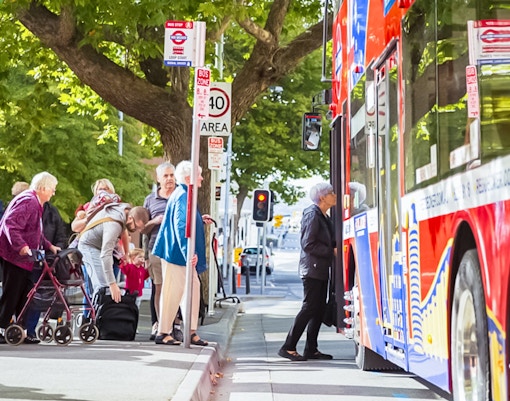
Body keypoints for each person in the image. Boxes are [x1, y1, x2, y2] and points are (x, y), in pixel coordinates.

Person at [152, 160, 212, 346]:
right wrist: (188, 252)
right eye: (199, 174)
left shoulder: (184, 194)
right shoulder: (184, 196)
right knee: (174, 291)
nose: (202, 177)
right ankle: (163, 332)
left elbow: (183, 223)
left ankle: (190, 330)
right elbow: (181, 226)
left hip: (179, 253)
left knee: (192, 291)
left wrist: (199, 221)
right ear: (189, 178)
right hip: (176, 254)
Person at [278, 182, 337, 361]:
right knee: (309, 307)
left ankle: (311, 348)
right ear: (322, 197)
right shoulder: (313, 215)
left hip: (320, 269)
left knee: (318, 309)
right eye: (331, 193)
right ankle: (288, 346)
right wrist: (331, 252)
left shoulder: (324, 216)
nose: (335, 195)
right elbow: (307, 244)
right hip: (312, 270)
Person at [0, 172, 61, 343]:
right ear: (42, 188)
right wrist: (22, 247)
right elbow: (10, 224)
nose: (53, 193)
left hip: (24, 258)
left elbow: (35, 231)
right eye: (52, 189)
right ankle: (2, 328)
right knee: (12, 293)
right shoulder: (29, 201)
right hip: (14, 255)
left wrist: (49, 246)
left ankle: (19, 331)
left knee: (25, 294)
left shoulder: (35, 202)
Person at [142, 162, 182, 341]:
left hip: (176, 250)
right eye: (165, 176)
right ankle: (160, 325)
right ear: (158, 179)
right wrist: (155, 221)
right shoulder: (150, 200)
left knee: (175, 288)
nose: (169, 179)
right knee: (159, 287)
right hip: (156, 249)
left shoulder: (181, 196)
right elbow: (143, 229)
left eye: (172, 175)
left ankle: (174, 325)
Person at [77, 203, 149, 302]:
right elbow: (105, 255)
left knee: (108, 285)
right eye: (136, 227)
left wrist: (126, 253)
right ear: (131, 218)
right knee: (103, 286)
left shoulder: (125, 210)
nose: (136, 230)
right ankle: (99, 314)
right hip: (89, 246)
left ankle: (105, 310)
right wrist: (112, 284)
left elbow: (123, 231)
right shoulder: (114, 226)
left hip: (99, 245)